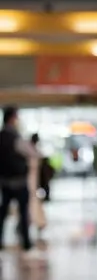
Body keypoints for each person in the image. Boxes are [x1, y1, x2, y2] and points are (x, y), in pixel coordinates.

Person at [0, 107, 38, 255]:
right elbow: (32, 152)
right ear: (12, 118)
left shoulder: (1, 136)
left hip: (4, 181)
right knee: (23, 213)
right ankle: (26, 243)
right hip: (19, 181)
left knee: (3, 214)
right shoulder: (16, 137)